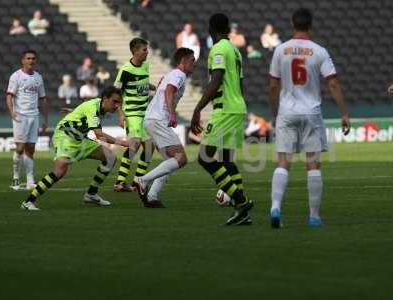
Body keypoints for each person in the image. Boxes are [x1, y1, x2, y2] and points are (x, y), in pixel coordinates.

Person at [268, 8, 351, 228]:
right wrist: (343, 113)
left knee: (283, 163)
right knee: (313, 165)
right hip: (311, 113)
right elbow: (332, 83)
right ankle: (314, 217)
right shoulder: (319, 51)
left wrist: (275, 113)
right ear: (310, 25)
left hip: (287, 112)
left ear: (291, 24)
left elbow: (273, 85)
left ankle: (275, 207)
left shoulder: (280, 50)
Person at [21, 87, 129, 211]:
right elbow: (99, 134)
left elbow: (84, 112)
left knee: (110, 157)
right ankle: (28, 202)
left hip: (80, 138)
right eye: (115, 102)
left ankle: (91, 194)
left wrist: (74, 112)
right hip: (65, 135)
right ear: (105, 99)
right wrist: (124, 143)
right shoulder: (94, 107)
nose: (117, 106)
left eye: (119, 103)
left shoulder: (101, 107)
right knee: (60, 171)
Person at [190, 13, 253, 226]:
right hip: (237, 108)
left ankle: (240, 201)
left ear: (210, 29)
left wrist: (198, 108)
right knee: (226, 161)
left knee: (205, 157)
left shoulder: (218, 49)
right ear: (228, 28)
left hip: (225, 109)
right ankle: (242, 213)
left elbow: (216, 80)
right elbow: (240, 84)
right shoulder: (235, 51)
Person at [133, 47, 195, 208]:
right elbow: (169, 91)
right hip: (158, 120)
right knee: (181, 159)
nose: (194, 64)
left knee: (170, 161)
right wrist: (173, 114)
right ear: (183, 61)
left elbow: (163, 89)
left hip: (152, 120)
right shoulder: (179, 74)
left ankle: (152, 196)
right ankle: (142, 180)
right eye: (192, 61)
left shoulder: (171, 74)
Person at [113, 38, 156, 192]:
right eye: (144, 49)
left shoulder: (145, 65)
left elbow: (143, 83)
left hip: (145, 113)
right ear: (135, 51)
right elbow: (115, 94)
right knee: (135, 144)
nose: (147, 52)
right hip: (132, 114)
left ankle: (138, 182)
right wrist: (120, 114)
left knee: (150, 147)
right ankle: (119, 182)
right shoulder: (125, 70)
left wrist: (156, 87)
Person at [6, 49, 48, 190]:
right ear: (23, 60)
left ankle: (30, 180)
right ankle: (16, 178)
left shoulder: (38, 77)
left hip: (33, 116)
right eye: (28, 58)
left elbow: (42, 99)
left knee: (31, 148)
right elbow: (9, 96)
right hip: (20, 116)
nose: (31, 60)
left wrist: (45, 118)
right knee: (20, 148)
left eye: (33, 58)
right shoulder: (16, 76)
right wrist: (12, 112)